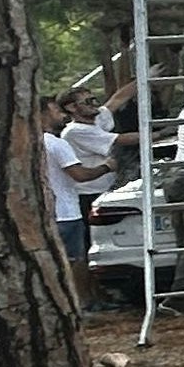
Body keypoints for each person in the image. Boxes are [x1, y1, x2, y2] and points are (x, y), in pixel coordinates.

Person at [41, 99, 109, 311]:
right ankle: (82, 304)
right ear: (41, 114)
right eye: (56, 111)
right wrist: (107, 167)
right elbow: (80, 174)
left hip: (46, 213)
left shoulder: (30, 143)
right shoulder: (56, 144)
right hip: (66, 213)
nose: (62, 115)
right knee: (76, 262)